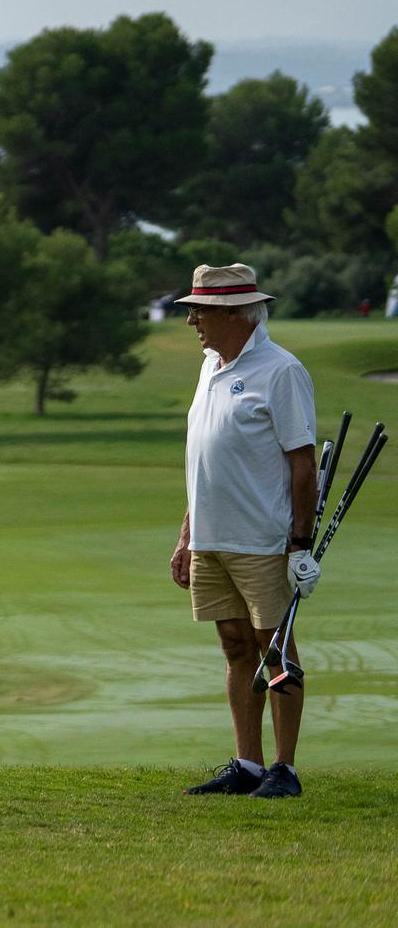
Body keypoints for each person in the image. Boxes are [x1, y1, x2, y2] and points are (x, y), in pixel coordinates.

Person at [168, 264, 319, 799]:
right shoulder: (210, 365)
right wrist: (188, 535)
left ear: (233, 313)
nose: (191, 321)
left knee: (274, 649)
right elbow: (205, 459)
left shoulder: (280, 371)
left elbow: (303, 463)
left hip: (262, 538)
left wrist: (301, 541)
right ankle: (248, 764)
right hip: (212, 537)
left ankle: (285, 768)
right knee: (235, 647)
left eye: (200, 310)